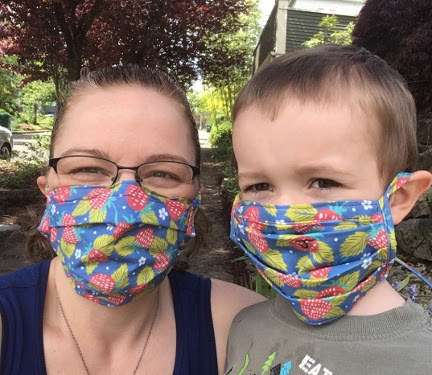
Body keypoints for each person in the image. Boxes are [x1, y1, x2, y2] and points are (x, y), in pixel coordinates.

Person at [224, 44, 432, 374]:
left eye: (322, 181)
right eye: (259, 186)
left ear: (398, 199)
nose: (284, 212)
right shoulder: (244, 326)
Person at [0, 65, 264, 374]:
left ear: (194, 201)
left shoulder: (247, 326)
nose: (124, 207)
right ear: (48, 191)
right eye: (88, 169)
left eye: (162, 173)